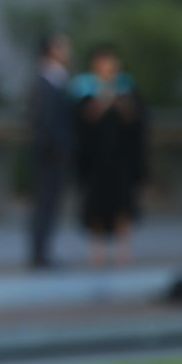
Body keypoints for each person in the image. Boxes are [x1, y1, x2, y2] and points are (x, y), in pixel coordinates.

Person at [70, 44, 147, 268]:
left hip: (121, 159)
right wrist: (103, 102)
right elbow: (81, 122)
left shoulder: (126, 89)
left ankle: (124, 251)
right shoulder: (84, 89)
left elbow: (138, 121)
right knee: (96, 207)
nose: (108, 68)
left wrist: (121, 105)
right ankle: (98, 253)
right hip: (95, 160)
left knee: (124, 205)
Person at [24, 32, 74, 270]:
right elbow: (45, 121)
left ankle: (42, 251)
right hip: (49, 154)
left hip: (52, 153)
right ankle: (39, 253)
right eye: (62, 46)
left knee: (49, 203)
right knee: (45, 203)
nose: (67, 50)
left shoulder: (57, 79)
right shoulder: (46, 81)